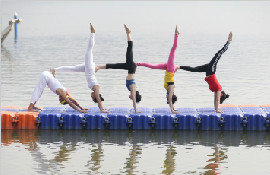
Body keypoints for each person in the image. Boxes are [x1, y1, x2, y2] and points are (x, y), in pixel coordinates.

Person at [51, 23, 108, 113]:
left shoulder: (93, 88)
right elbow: (98, 98)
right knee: (89, 50)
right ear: (95, 97)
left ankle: (55, 69)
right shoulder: (96, 88)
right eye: (92, 98)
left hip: (88, 69)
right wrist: (101, 109)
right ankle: (93, 33)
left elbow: (97, 99)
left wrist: (81, 108)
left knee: (72, 69)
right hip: (89, 69)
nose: (91, 96)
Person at [180, 32, 233, 113]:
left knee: (195, 68)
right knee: (218, 55)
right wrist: (217, 109)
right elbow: (216, 99)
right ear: (221, 94)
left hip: (210, 70)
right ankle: (228, 42)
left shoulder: (218, 89)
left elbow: (216, 99)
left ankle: (179, 67)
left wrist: (217, 109)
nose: (219, 95)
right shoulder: (218, 89)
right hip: (210, 71)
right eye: (220, 95)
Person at [97, 24, 141, 113]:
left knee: (114, 66)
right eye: (132, 98)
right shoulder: (133, 89)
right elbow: (134, 102)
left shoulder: (132, 89)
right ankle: (128, 34)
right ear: (134, 96)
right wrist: (136, 110)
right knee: (129, 49)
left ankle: (98, 67)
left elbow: (133, 99)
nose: (131, 98)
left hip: (130, 68)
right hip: (131, 67)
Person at [137, 26, 180, 114]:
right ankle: (176, 34)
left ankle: (138, 64)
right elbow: (170, 100)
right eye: (167, 98)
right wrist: (173, 111)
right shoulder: (171, 89)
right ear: (171, 96)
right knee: (173, 49)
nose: (166, 97)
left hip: (167, 69)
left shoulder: (168, 91)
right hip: (170, 69)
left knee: (153, 67)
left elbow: (170, 101)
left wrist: (173, 108)